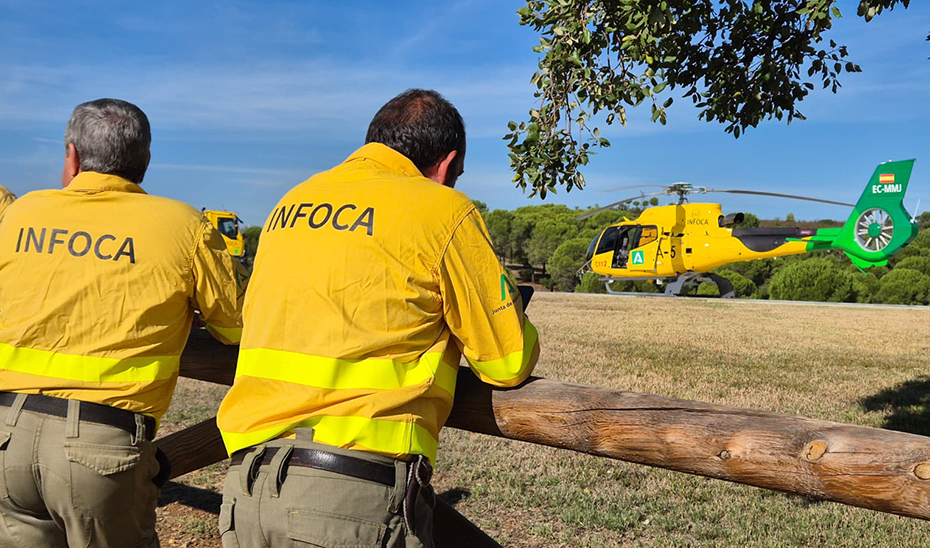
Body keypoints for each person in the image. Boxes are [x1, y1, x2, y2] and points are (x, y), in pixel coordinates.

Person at [216, 89, 540, 547]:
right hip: (352, 502)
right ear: (447, 166)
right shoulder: (442, 209)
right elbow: (505, 362)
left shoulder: (290, 203)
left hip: (247, 490)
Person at [0, 98, 246, 547]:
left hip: (6, 435)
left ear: (71, 157)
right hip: (101, 448)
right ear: (145, 161)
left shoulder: (20, 214)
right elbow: (231, 327)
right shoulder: (185, 225)